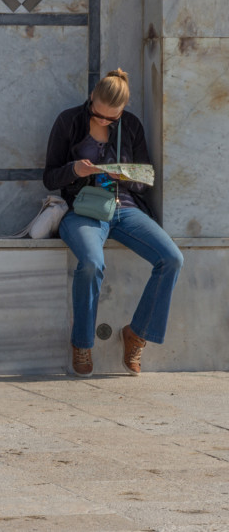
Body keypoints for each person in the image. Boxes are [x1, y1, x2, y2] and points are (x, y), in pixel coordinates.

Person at [44, 68, 183, 377]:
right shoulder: (69, 121)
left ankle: (137, 333)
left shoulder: (131, 126)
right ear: (92, 98)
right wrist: (75, 171)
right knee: (92, 262)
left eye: (113, 118)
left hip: (125, 208)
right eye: (100, 115)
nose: (105, 121)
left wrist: (126, 176)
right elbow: (49, 176)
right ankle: (82, 343)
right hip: (84, 210)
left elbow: (146, 180)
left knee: (172, 258)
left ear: (123, 109)